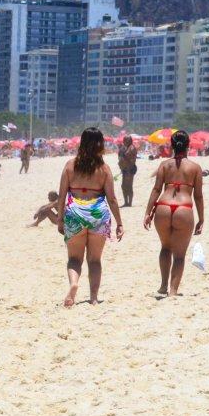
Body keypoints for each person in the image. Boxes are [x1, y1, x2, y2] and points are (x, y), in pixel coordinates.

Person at [56, 127, 124, 307]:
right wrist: (119, 223)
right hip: (98, 213)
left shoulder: (70, 165)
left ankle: (74, 284)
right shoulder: (104, 169)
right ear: (100, 144)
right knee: (94, 260)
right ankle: (93, 297)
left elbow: (61, 196)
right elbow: (112, 199)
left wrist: (60, 218)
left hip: (75, 211)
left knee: (74, 259)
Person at [143, 130, 205, 296]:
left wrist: (148, 212)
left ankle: (163, 285)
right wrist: (201, 219)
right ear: (188, 146)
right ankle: (173, 290)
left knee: (165, 247)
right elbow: (198, 196)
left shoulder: (164, 165)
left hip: (163, 206)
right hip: (183, 209)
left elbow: (156, 189)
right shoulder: (195, 168)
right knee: (179, 254)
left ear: (171, 145)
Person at [117, 135, 138, 207]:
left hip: (129, 169)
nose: (123, 141)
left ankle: (129, 203)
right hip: (126, 169)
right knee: (124, 186)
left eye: (125, 140)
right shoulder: (127, 147)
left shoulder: (131, 148)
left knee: (128, 186)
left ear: (128, 141)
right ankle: (126, 202)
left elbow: (127, 157)